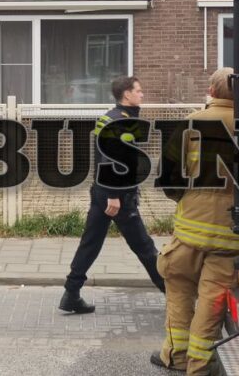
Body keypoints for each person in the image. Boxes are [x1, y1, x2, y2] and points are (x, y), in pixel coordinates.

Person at [151, 67, 239, 375]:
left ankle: (176, 356)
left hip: (189, 232)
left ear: (212, 92)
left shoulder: (191, 124)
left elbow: (169, 178)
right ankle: (199, 365)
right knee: (211, 301)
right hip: (229, 236)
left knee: (178, 287)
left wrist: (187, 201)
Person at [59, 76, 165, 314]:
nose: (142, 94)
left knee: (90, 244)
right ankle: (173, 293)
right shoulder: (122, 121)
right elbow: (110, 159)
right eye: (138, 90)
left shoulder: (111, 117)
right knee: (145, 248)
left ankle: (71, 292)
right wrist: (114, 195)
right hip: (117, 197)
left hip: (102, 192)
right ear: (126, 94)